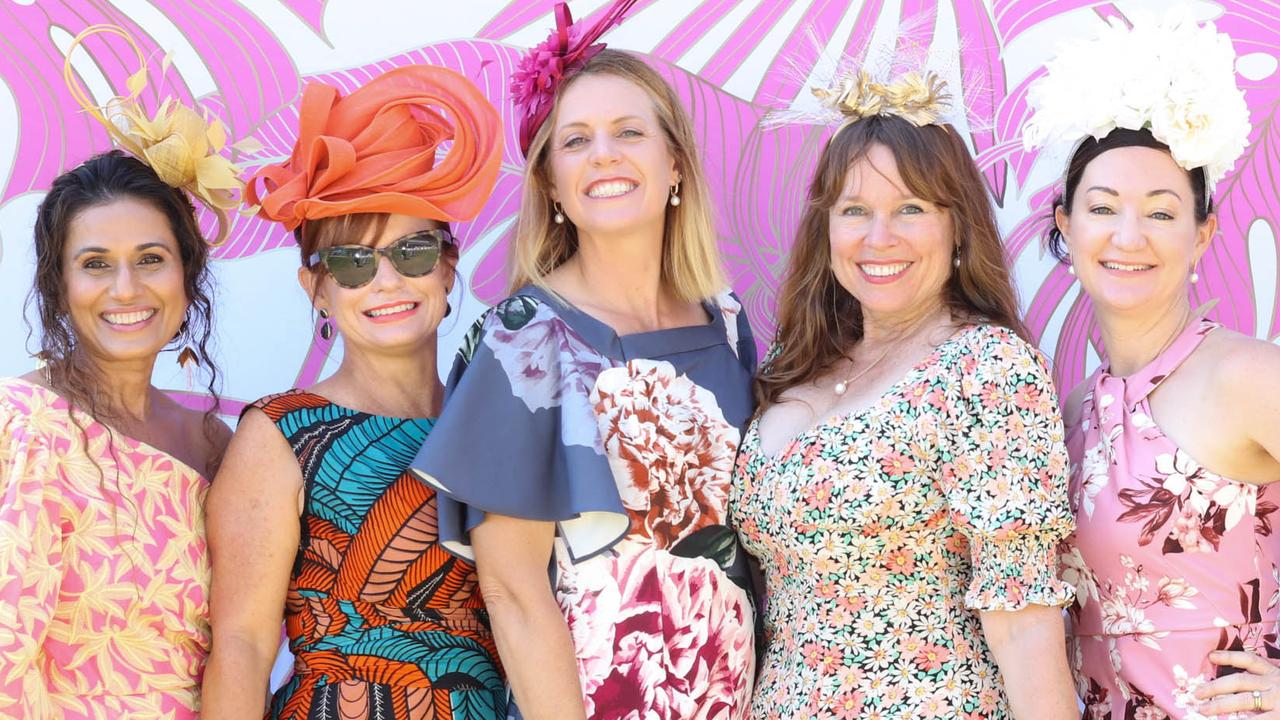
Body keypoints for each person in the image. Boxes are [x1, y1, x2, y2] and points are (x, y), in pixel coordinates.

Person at [408, 3, 757, 717]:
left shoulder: (728, 324)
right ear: (551, 185)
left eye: (629, 132)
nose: (604, 155)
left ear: (675, 164)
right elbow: (513, 592)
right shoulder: (524, 336)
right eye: (576, 141)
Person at [729, 64, 1079, 718]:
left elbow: (1025, 620)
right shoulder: (792, 363)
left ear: (957, 228)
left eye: (910, 209)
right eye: (855, 210)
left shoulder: (985, 370)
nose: (878, 237)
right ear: (826, 228)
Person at [200, 64, 506, 719]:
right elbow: (243, 645)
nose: (388, 281)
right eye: (353, 263)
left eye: (413, 253)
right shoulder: (280, 435)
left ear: (448, 269)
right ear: (318, 290)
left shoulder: (497, 420)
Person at [1024, 11, 1280, 718]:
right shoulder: (1069, 412)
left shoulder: (1247, 377)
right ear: (1066, 227)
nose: (1128, 236)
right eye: (1103, 208)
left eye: (1162, 213)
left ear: (1203, 236)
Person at [0, 24, 240, 718]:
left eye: (151, 258)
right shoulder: (28, 427)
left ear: (187, 273)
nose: (126, 289)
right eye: (96, 264)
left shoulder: (211, 445)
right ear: (59, 286)